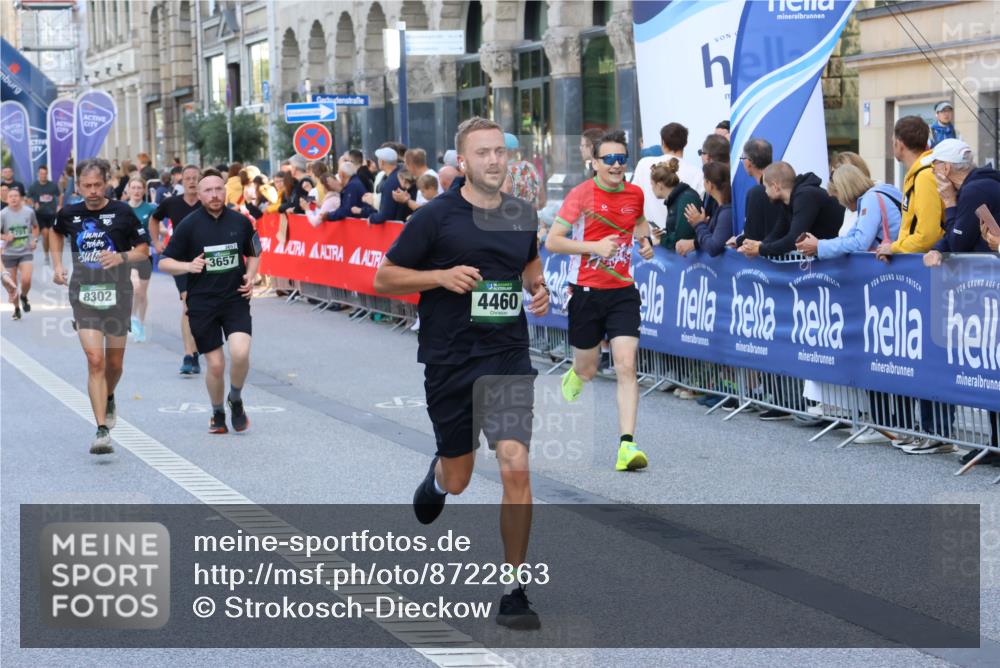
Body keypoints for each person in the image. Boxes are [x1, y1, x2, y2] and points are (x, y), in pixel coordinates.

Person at [373, 116, 549, 630]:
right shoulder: (435, 217)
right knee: (461, 476)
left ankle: (514, 587)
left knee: (516, 464)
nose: (494, 160)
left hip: (508, 354)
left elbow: (529, 264)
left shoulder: (522, 214)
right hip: (451, 360)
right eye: (483, 153)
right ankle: (439, 475)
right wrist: (439, 276)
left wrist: (537, 288)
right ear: (463, 162)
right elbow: (384, 276)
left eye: (500, 151)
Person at [545, 129, 656, 472]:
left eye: (621, 159)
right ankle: (576, 373)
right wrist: (593, 247)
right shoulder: (581, 195)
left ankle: (627, 446)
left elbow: (638, 222)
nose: (616, 165)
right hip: (586, 293)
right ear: (594, 163)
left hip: (623, 291)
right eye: (608, 159)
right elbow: (553, 241)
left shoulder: (635, 193)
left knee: (626, 365)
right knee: (588, 368)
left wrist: (646, 242)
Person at [51, 159, 151, 454]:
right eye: (86, 186)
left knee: (114, 364)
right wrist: (57, 265)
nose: (92, 191)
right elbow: (55, 232)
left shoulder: (123, 212)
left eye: (97, 185)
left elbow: (144, 250)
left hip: (118, 293)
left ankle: (108, 396)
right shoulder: (69, 213)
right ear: (78, 186)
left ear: (107, 182)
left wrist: (121, 257)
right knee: (95, 360)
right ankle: (101, 430)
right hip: (84, 293)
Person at [158, 170, 260, 434]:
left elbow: (255, 252)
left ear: (225, 191)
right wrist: (188, 265)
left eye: (218, 189)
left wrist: (250, 276)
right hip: (202, 303)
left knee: (240, 353)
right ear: (199, 194)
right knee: (215, 364)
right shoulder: (189, 225)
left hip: (235, 298)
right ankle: (217, 412)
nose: (214, 195)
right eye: (208, 191)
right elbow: (164, 262)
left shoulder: (241, 221)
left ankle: (235, 398)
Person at [149, 164, 203, 375]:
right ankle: (188, 355)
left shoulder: (207, 202)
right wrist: (156, 241)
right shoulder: (172, 203)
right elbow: (154, 219)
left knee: (199, 308)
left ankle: (196, 351)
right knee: (188, 303)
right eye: (187, 178)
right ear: (181, 181)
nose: (191, 181)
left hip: (204, 261)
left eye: (195, 178)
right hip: (180, 261)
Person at [738, 162, 845, 258]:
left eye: (766, 187)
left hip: (839, 257)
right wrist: (759, 245)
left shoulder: (805, 196)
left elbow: (794, 239)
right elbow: (777, 233)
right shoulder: (788, 202)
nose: (765, 192)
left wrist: (760, 250)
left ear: (775, 187)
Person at [796, 164, 902, 259]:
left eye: (837, 197)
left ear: (844, 192)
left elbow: (860, 243)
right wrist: (818, 246)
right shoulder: (882, 192)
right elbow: (851, 237)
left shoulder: (870, 200)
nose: (841, 203)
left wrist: (819, 246)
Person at [877, 116, 945, 260]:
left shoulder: (925, 176)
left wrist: (894, 248)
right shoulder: (918, 173)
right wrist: (896, 249)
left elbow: (928, 235)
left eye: (892, 142)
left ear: (899, 144)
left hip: (928, 267)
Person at [923, 138, 1000, 256]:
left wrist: (949, 202)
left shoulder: (974, 191)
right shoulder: (978, 185)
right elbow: (962, 230)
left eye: (934, 165)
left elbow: (958, 245)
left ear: (946, 168)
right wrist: (936, 250)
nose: (932, 172)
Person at [631, 123, 705, 228]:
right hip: (680, 238)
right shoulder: (697, 172)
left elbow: (633, 197)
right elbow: (699, 208)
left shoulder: (643, 164)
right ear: (685, 143)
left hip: (648, 236)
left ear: (663, 142)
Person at [677, 161, 733, 257]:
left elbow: (713, 247)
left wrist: (698, 224)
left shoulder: (726, 212)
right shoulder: (721, 209)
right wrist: (704, 225)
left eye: (704, 180)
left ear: (710, 184)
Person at [124, 177, 156, 341]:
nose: (136, 191)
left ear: (144, 190)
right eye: (133, 188)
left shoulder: (149, 209)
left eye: (139, 188)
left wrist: (158, 240)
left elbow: (154, 230)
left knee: (142, 293)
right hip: (128, 255)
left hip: (144, 255)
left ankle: (139, 324)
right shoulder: (121, 208)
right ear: (128, 190)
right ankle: (132, 319)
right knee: (134, 287)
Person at [739, 138, 789, 242]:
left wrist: (739, 241)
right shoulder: (786, 185)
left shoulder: (756, 193)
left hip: (765, 255)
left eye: (743, 158)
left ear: (748, 162)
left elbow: (752, 237)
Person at [1, 184, 39, 319]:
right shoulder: (3, 214)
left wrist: (34, 239)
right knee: (12, 285)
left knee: (26, 279)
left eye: (16, 196)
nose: (13, 198)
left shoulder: (29, 212)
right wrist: (5, 236)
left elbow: (35, 227)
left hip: (25, 251)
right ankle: (16, 309)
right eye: (10, 196)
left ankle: (24, 296)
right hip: (9, 254)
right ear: (6, 199)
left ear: (21, 198)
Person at [648, 159, 700, 251]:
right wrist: (663, 234)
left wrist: (661, 240)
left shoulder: (685, 199)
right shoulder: (677, 199)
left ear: (659, 185)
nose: (651, 188)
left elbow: (682, 238)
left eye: (652, 184)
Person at [366, 146, 409, 224]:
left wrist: (372, 218)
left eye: (378, 159)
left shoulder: (390, 183)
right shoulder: (400, 174)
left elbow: (386, 214)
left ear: (382, 162)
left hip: (395, 229)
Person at [26, 165, 61, 262]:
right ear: (38, 174)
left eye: (45, 174)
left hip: (52, 213)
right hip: (40, 214)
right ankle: (46, 255)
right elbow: (28, 197)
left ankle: (55, 256)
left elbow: (59, 195)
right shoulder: (34, 186)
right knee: (45, 234)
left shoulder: (52, 185)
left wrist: (59, 206)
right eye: (41, 174)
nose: (43, 175)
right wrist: (33, 204)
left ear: (47, 174)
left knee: (53, 234)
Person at [505, 134, 544, 209]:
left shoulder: (504, 171)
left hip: (511, 217)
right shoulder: (530, 167)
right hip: (532, 217)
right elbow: (542, 200)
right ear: (516, 150)